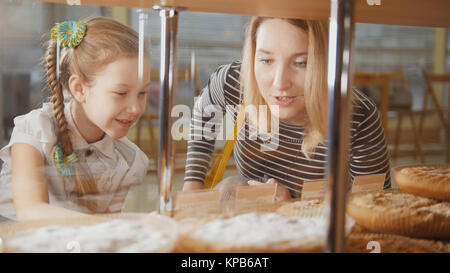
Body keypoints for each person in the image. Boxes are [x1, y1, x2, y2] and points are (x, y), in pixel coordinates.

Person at [182, 17, 390, 200]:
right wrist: (192, 184)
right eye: (266, 60)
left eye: (301, 63)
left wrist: (291, 208)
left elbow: (376, 207)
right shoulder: (235, 81)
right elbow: (203, 113)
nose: (280, 82)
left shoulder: (359, 117)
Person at [0, 17, 151, 221]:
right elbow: (31, 211)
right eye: (121, 93)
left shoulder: (130, 160)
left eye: (142, 93)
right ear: (79, 89)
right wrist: (115, 225)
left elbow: (105, 229)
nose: (135, 108)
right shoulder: (34, 131)